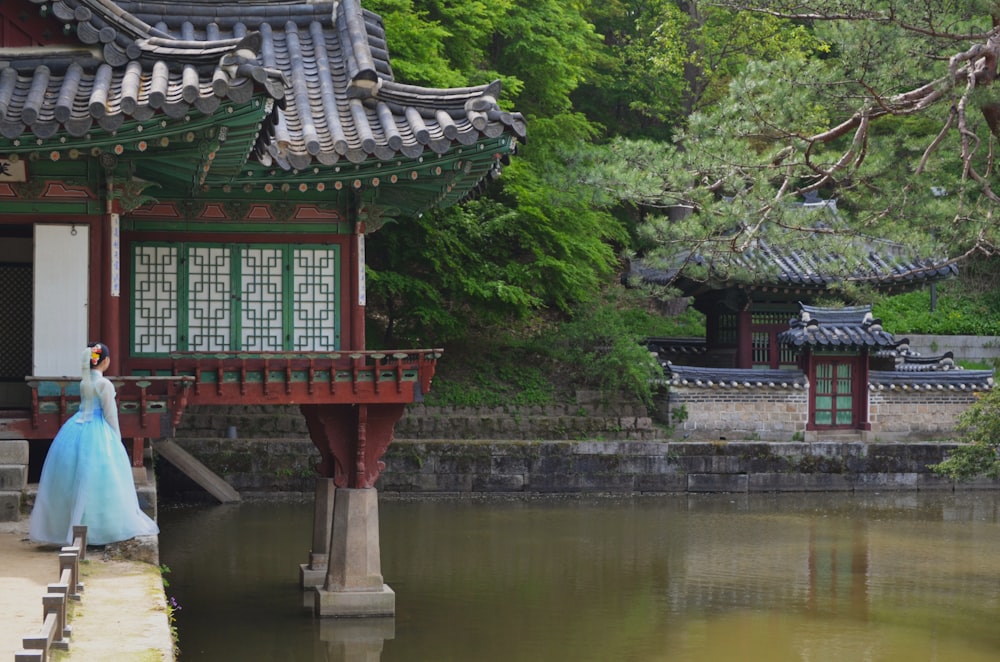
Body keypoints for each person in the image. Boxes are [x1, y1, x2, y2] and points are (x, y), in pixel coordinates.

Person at [29, 343, 159, 546]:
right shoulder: (104, 384)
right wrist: (116, 438)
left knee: (74, 478)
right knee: (101, 480)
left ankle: (68, 527)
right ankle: (102, 527)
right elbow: (110, 413)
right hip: (98, 429)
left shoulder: (85, 382)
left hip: (77, 426)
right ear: (105, 361)